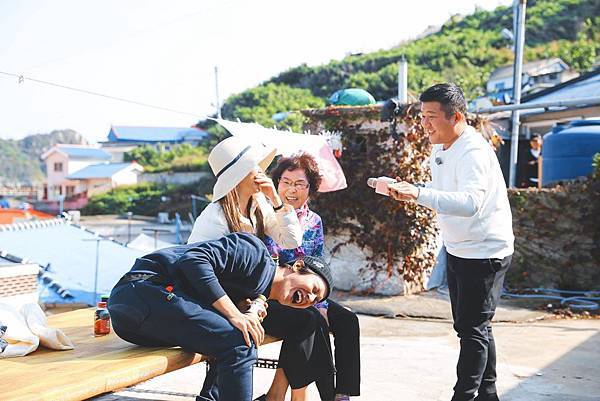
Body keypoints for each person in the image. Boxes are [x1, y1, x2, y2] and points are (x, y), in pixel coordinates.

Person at [387, 83, 514, 401]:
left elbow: (470, 202)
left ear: (456, 116)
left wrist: (418, 193)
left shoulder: (473, 151)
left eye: (431, 116)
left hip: (485, 251)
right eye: (422, 115)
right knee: (475, 327)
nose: (424, 123)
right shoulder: (440, 147)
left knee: (472, 330)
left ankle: (465, 396)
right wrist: (409, 188)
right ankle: (488, 394)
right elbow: (444, 191)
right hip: (460, 247)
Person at [188, 136, 336, 401]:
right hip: (220, 303)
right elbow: (194, 266)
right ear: (240, 173)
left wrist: (276, 200)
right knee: (249, 332)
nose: (261, 171)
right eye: (255, 166)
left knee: (308, 320)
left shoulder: (258, 206)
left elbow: (291, 239)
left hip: (252, 299)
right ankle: (215, 396)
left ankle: (279, 396)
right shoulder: (215, 216)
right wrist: (237, 309)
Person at [108, 232, 333, 401]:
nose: (309, 298)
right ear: (298, 266)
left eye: (315, 299)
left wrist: (241, 312)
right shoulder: (254, 253)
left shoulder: (256, 295)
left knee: (234, 336)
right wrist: (234, 314)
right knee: (240, 341)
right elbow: (193, 260)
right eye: (313, 288)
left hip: (137, 324)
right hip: (143, 290)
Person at [261, 153, 360, 401]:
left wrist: (323, 304)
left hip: (310, 292)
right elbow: (268, 260)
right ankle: (314, 396)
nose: (291, 190)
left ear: (311, 188)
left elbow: (318, 264)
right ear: (277, 183)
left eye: (300, 184)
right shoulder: (266, 214)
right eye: (286, 182)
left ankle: (342, 393)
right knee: (308, 320)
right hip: (275, 292)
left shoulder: (314, 221)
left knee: (347, 320)